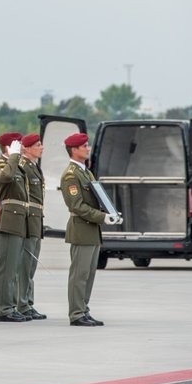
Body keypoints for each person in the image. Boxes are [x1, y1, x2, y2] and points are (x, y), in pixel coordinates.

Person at [62, 133, 118, 327]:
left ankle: (83, 310)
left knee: (88, 274)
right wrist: (102, 216)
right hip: (81, 228)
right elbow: (76, 205)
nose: (88, 148)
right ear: (74, 150)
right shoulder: (71, 174)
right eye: (84, 146)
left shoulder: (85, 172)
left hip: (91, 229)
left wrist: (108, 212)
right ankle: (76, 313)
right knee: (79, 274)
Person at [0, 132, 31, 323]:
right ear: (9, 147)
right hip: (9, 220)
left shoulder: (15, 164)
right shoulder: (1, 164)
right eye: (19, 145)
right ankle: (4, 308)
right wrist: (13, 156)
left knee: (13, 267)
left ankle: (11, 305)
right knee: (6, 268)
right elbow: (6, 177)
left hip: (19, 219)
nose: (23, 148)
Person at [17, 134, 47, 320]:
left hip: (36, 219)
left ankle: (28, 302)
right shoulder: (23, 166)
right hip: (28, 220)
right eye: (37, 145)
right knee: (25, 264)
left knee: (31, 265)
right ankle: (22, 303)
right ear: (27, 148)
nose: (41, 147)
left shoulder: (34, 167)